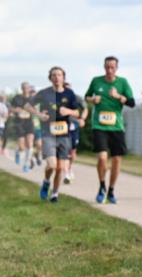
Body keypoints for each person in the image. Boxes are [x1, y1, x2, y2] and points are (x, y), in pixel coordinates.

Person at [85, 56, 135, 204]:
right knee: (102, 158)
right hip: (99, 126)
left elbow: (131, 103)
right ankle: (101, 186)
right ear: (104, 67)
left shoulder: (123, 82)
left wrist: (119, 96)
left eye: (112, 67)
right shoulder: (96, 81)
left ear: (116, 68)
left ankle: (111, 190)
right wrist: (92, 100)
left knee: (117, 160)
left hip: (116, 127)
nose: (109, 70)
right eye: (107, 67)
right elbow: (86, 96)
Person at [30, 67, 82, 203]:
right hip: (48, 134)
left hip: (64, 135)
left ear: (63, 77)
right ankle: (46, 181)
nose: (57, 77)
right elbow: (28, 106)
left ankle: (54, 194)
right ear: (50, 78)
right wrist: (39, 114)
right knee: (52, 165)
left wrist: (69, 111)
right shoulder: (44, 93)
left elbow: (78, 113)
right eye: (54, 75)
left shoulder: (70, 93)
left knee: (60, 168)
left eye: (59, 75)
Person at [10, 82, 36, 170]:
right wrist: (15, 110)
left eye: (27, 87)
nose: (26, 89)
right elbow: (11, 108)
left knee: (30, 143)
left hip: (29, 123)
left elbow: (36, 110)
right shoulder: (17, 98)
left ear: (29, 89)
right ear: (22, 88)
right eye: (24, 87)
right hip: (19, 123)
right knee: (21, 146)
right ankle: (18, 152)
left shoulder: (33, 99)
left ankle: (26, 164)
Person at [64, 82, 86, 184]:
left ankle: (69, 168)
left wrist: (82, 119)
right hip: (62, 127)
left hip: (74, 127)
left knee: (72, 152)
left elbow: (85, 109)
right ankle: (66, 174)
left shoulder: (77, 98)